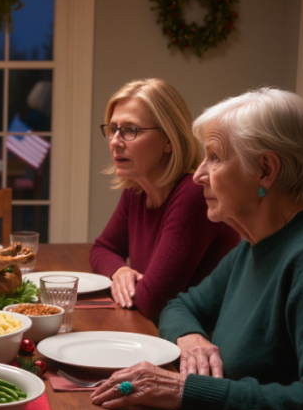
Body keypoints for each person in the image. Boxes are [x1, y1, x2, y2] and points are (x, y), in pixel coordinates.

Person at [90, 88, 303, 410]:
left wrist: (188, 390)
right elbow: (180, 305)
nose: (198, 175)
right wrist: (190, 336)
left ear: (266, 169)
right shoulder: (254, 246)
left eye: (214, 158)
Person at [89, 78, 239, 319]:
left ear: (169, 139)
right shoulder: (136, 191)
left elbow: (154, 302)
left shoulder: (194, 195)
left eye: (130, 130)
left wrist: (134, 287)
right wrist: (121, 271)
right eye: (113, 129)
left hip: (198, 338)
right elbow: (102, 249)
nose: (115, 141)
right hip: (154, 330)